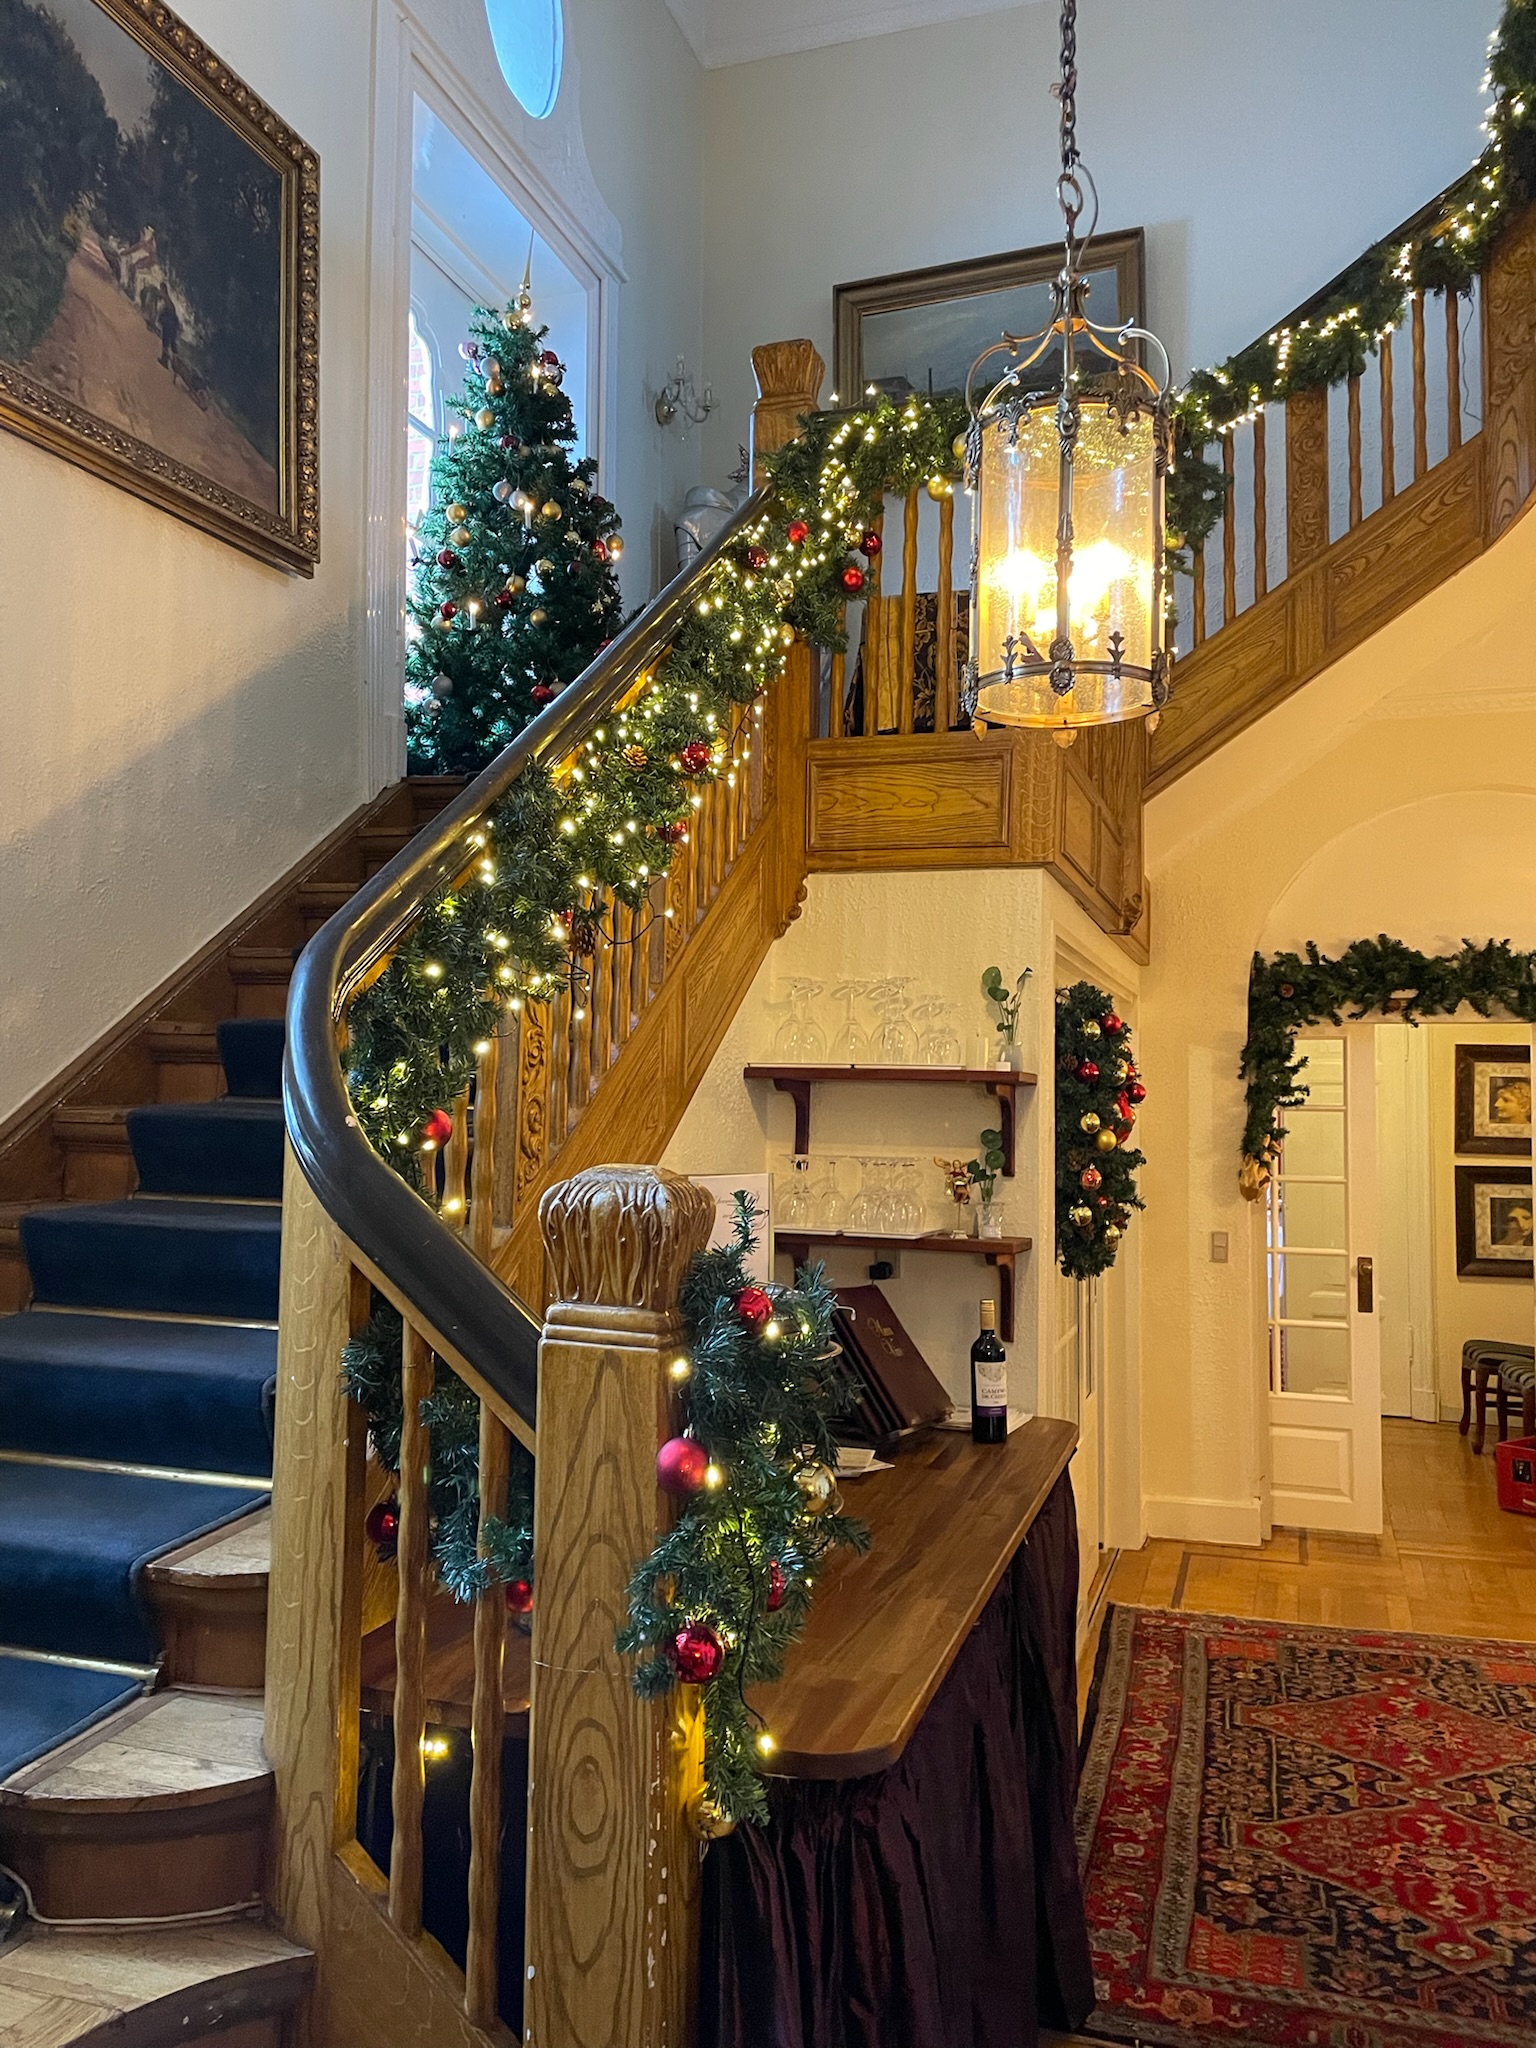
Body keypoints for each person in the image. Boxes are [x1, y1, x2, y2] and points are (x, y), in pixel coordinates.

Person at [158, 295, 181, 369]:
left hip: (168, 325)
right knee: (172, 343)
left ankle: (166, 361)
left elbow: (170, 312)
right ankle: (174, 362)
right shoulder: (169, 303)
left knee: (166, 343)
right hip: (171, 325)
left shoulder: (167, 302)